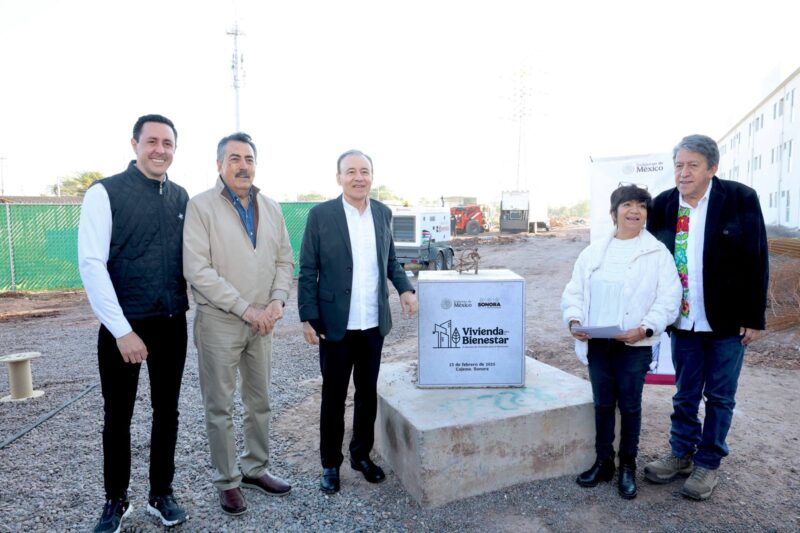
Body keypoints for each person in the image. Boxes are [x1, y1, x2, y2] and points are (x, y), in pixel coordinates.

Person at [78, 114, 189, 532]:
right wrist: (122, 330)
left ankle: (161, 493)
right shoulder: (105, 193)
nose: (160, 150)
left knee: (167, 412)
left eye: (168, 143)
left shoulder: (180, 197)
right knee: (118, 416)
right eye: (152, 141)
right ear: (135, 145)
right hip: (122, 326)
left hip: (171, 322)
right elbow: (92, 263)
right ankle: (115, 499)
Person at [644, 134, 769, 500]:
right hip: (683, 321)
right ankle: (681, 453)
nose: (683, 173)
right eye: (679, 165)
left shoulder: (740, 199)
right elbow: (652, 264)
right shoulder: (664, 205)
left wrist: (754, 317)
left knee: (719, 396)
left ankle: (708, 463)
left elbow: (757, 258)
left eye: (692, 165)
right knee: (685, 394)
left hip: (727, 321)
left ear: (712, 168)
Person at [182, 132, 294, 516]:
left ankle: (255, 468)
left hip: (263, 322)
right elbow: (197, 270)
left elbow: (284, 260)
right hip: (220, 322)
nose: (242, 166)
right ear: (219, 165)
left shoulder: (271, 207)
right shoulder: (200, 207)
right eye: (234, 159)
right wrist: (246, 309)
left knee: (259, 400)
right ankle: (227, 480)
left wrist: (277, 300)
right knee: (220, 406)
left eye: (248, 159)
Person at [298, 149, 418, 494]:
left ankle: (360, 455)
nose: (358, 177)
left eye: (364, 171)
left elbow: (390, 260)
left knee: (367, 394)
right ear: (339, 177)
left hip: (372, 324)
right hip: (335, 325)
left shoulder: (382, 212)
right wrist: (308, 316)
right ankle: (330, 464)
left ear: (372, 176)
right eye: (350, 171)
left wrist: (405, 289)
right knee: (333, 397)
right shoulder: (321, 215)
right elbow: (308, 268)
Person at [561, 184, 682, 499]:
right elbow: (575, 291)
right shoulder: (593, 252)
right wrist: (574, 321)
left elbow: (669, 298)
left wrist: (644, 329)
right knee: (603, 404)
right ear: (613, 212)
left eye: (641, 206)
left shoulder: (657, 253)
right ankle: (604, 462)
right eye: (627, 204)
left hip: (634, 345)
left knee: (629, 406)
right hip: (598, 342)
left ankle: (627, 465)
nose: (635, 211)